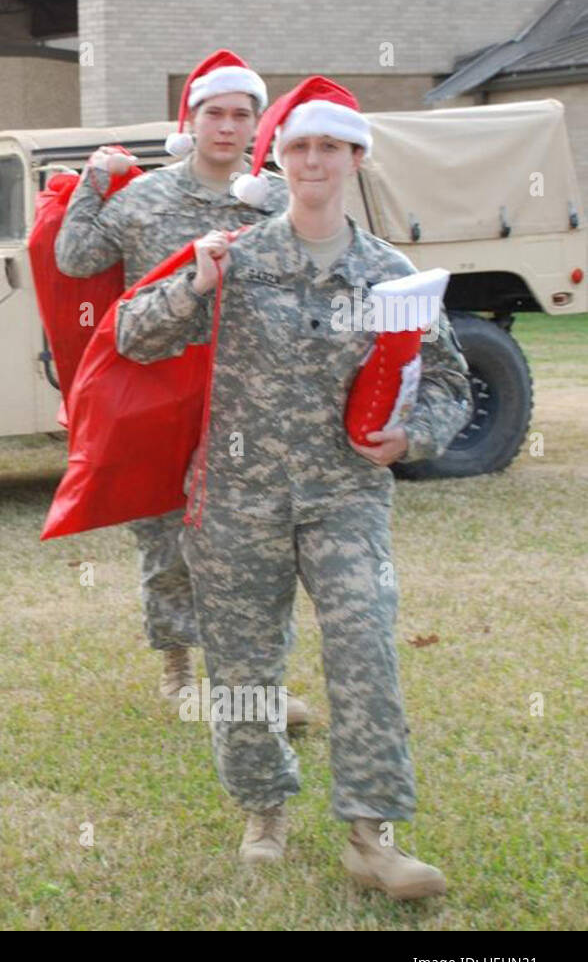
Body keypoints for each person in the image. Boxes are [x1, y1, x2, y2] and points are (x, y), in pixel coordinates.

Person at [115, 76, 472, 898]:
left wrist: (411, 437)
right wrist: (192, 286)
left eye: (330, 147)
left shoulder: (392, 275)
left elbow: (449, 379)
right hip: (237, 499)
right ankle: (264, 810)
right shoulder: (236, 259)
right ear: (278, 158)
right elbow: (133, 334)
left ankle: (371, 836)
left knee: (366, 648)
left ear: (354, 157)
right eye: (299, 146)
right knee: (243, 669)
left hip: (345, 495)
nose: (313, 160)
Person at [54, 50, 309, 727]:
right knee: (165, 534)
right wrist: (91, 181)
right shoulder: (145, 199)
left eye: (241, 116)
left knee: (258, 539)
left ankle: (260, 682)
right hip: (161, 387)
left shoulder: (277, 199)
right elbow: (75, 257)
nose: (226, 127)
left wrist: (281, 203)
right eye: (214, 113)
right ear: (190, 122)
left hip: (249, 388)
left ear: (257, 126)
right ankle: (177, 662)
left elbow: (325, 259)